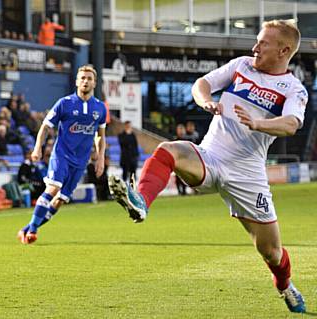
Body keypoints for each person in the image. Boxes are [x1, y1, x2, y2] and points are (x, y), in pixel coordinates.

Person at [108, 20, 307, 313]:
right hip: (210, 156)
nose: (255, 48)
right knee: (168, 151)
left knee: (272, 252)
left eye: (263, 43)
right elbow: (202, 83)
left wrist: (258, 123)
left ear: (284, 49)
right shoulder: (242, 66)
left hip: (247, 175)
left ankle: (285, 285)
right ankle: (141, 202)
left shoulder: (294, 89)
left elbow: (291, 124)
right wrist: (205, 102)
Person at [17, 65, 107, 244]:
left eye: (89, 78)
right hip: (61, 155)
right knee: (53, 189)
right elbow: (45, 126)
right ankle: (33, 231)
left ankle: (26, 228)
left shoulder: (100, 108)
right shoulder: (64, 103)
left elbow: (100, 136)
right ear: (76, 81)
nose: (85, 81)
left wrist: (100, 157)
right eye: (82, 78)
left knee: (59, 201)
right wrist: (37, 148)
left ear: (94, 83)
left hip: (80, 162)